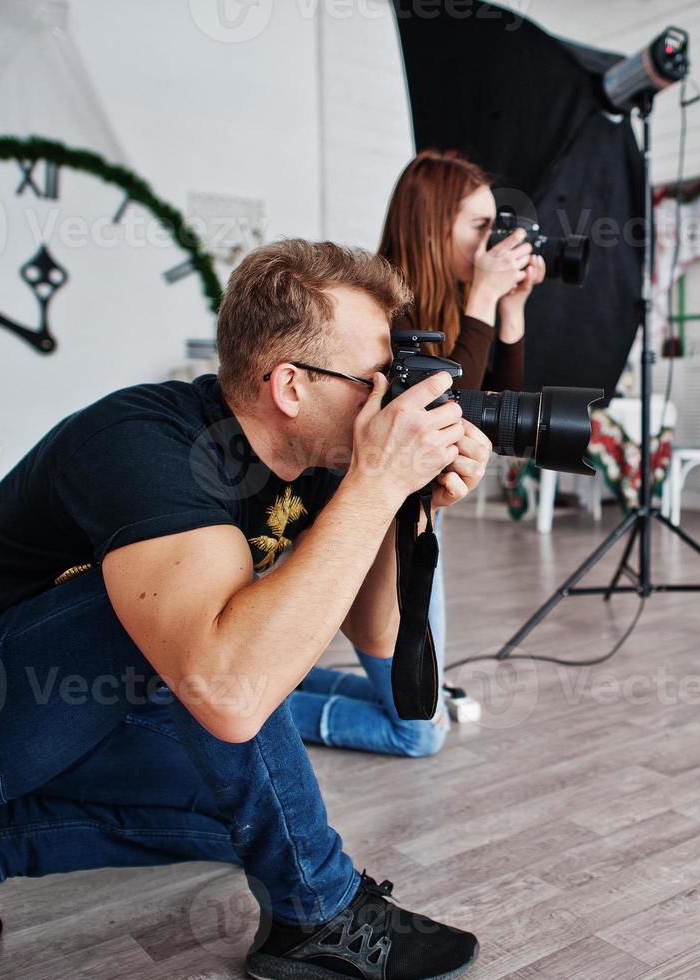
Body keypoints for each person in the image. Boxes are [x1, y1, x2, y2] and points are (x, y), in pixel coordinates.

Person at [0, 240, 489, 980]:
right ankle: (317, 913)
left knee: (251, 817)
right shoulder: (142, 444)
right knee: (217, 649)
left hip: (57, 713)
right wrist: (375, 485)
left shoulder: (316, 463)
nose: (396, 401)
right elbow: (229, 692)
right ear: (288, 385)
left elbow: (373, 631)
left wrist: (399, 502)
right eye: (376, 380)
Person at [288, 150, 543, 756]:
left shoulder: (454, 301)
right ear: (433, 228)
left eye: (496, 226)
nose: (496, 241)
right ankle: (219, 693)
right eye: (481, 228)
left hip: (420, 519)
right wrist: (483, 296)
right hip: (372, 528)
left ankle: (250, 681)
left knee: (417, 704)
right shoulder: (382, 318)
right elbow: (445, 410)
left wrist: (509, 307)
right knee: (417, 733)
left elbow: (493, 413)